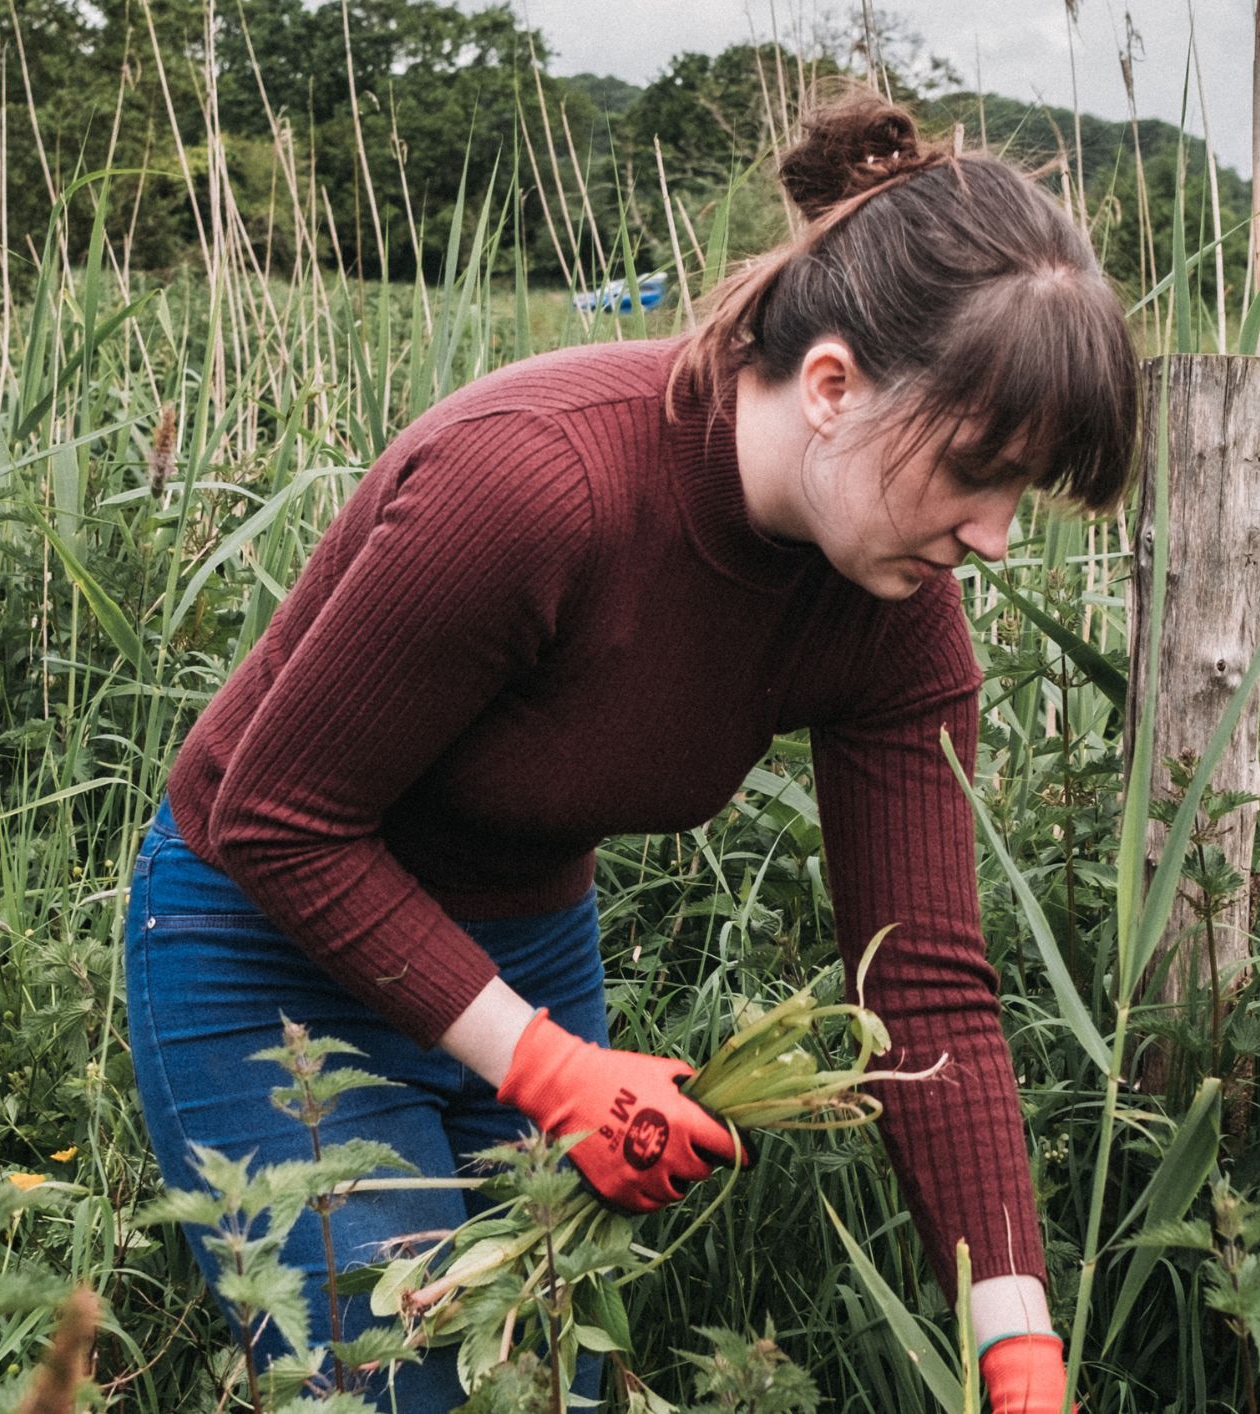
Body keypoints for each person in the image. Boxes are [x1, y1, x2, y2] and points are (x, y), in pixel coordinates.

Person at [123, 79, 1138, 1412]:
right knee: (399, 1385)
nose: (996, 534)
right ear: (832, 383)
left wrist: (1019, 1349)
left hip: (526, 954)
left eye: (1025, 493)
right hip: (266, 947)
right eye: (976, 470)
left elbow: (927, 991)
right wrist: (551, 1069)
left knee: (549, 1383)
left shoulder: (895, 615)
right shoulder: (538, 483)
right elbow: (279, 816)